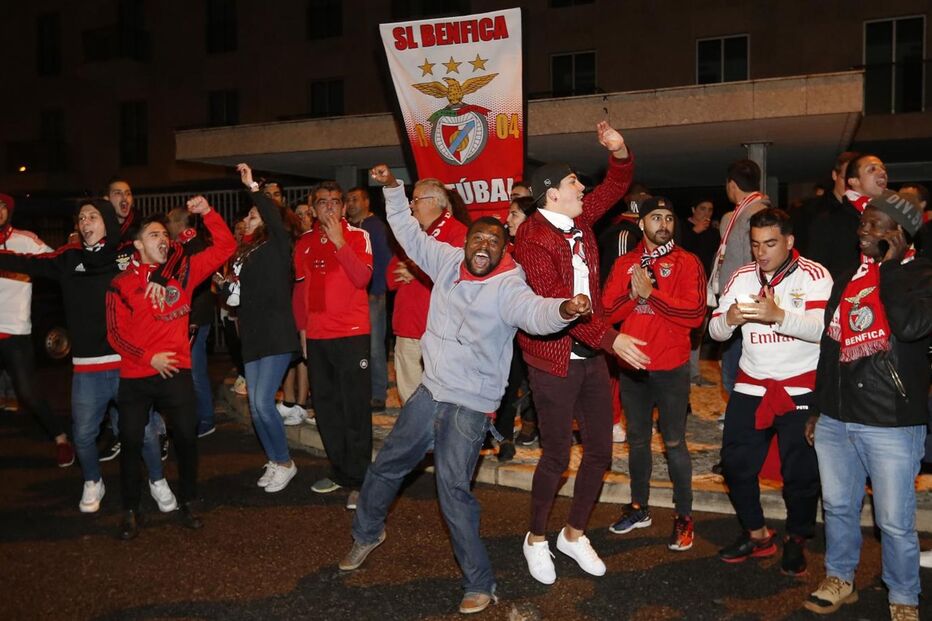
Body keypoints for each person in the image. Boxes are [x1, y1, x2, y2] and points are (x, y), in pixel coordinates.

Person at [340, 164, 593, 615]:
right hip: (430, 392)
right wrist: (394, 189)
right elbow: (406, 232)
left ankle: (479, 582)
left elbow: (535, 313)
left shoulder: (509, 285)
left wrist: (564, 310)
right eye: (477, 239)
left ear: (503, 249)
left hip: (469, 405)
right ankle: (367, 533)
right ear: (465, 242)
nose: (483, 247)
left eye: (494, 242)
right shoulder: (446, 262)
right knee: (385, 467)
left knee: (452, 491)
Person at [515, 122, 634, 586]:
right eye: (572, 183)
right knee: (556, 455)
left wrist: (618, 150)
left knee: (600, 451)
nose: (582, 188)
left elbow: (616, 186)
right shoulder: (532, 237)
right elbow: (558, 306)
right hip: (554, 359)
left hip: (592, 355)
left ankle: (574, 533)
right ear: (551, 195)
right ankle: (536, 537)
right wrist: (611, 339)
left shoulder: (580, 221)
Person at [804, 190, 930, 621]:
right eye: (863, 222)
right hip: (837, 416)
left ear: (899, 234)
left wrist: (889, 267)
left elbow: (910, 326)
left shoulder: (922, 275)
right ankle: (840, 578)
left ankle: (904, 596)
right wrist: (817, 408)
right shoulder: (848, 277)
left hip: (890, 419)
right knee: (838, 507)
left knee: (894, 521)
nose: (863, 230)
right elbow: (830, 347)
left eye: (875, 225)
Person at [0, 199, 170, 511]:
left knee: (145, 431)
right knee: (82, 435)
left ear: (107, 222)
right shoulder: (69, 258)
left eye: (93, 216)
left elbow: (168, 255)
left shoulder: (127, 254)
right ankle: (93, 481)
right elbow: (28, 262)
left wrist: (159, 277)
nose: (85, 221)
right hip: (87, 368)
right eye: (81, 217)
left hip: (127, 363)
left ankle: (157, 480)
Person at [709, 208, 831, 574]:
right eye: (755, 244)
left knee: (801, 474)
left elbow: (821, 330)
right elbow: (714, 330)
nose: (761, 252)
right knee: (734, 465)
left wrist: (777, 315)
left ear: (789, 241)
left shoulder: (814, 274)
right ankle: (757, 533)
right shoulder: (741, 277)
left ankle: (796, 538)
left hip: (800, 386)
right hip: (751, 383)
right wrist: (729, 319)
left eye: (770, 243)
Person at [106, 196, 235, 539]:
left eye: (165, 234)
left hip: (176, 372)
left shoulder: (184, 272)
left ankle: (189, 500)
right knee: (130, 442)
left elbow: (226, 247)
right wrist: (148, 357)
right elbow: (115, 334)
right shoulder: (120, 283)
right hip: (137, 375)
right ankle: (130, 508)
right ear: (137, 244)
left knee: (187, 439)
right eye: (153, 235)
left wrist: (208, 213)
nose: (162, 239)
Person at [602, 196, 706, 551]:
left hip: (671, 367)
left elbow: (694, 314)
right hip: (633, 368)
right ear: (641, 224)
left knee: (674, 443)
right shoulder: (625, 264)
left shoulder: (687, 262)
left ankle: (684, 515)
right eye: (656, 218)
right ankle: (639, 507)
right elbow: (607, 314)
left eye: (669, 218)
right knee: (637, 441)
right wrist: (634, 294)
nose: (664, 224)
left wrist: (653, 295)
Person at [223, 164, 302, 493]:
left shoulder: (278, 243)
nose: (249, 217)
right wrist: (227, 287)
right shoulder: (246, 251)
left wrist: (253, 188)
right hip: (253, 334)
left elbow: (271, 213)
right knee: (256, 407)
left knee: (263, 402)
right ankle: (274, 459)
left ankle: (285, 462)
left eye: (254, 214)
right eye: (249, 213)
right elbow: (237, 297)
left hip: (276, 333)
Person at [294, 180, 373, 508]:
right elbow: (300, 292)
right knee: (326, 410)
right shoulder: (304, 243)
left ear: (343, 207)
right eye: (323, 201)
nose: (329, 206)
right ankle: (341, 471)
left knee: (355, 409)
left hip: (351, 334)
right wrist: (303, 332)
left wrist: (339, 240)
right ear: (313, 208)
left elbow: (363, 278)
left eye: (335, 201)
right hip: (317, 337)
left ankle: (361, 480)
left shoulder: (358, 236)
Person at [0, 192, 74, 467]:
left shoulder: (25, 240)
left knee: (28, 392)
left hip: (15, 331)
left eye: (2, 206)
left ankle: (61, 439)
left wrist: (74, 249)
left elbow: (56, 263)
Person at [386, 179, 467, 405]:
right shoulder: (414, 234)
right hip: (408, 325)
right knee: (410, 398)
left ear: (433, 201)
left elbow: (459, 278)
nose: (411, 205)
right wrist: (416, 267)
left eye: (415, 200)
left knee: (441, 398)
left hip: (438, 331)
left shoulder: (457, 232)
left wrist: (417, 268)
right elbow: (390, 278)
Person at [708, 160, 770, 396]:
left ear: (731, 185)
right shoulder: (741, 214)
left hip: (743, 304)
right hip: (739, 302)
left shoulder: (752, 215)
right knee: (734, 367)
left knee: (735, 371)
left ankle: (742, 408)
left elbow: (754, 263)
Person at [166, 207, 218, 438]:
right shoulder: (184, 246)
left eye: (169, 221)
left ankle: (206, 419)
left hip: (194, 320)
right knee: (187, 372)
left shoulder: (194, 247)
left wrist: (194, 320)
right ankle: (195, 416)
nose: (167, 226)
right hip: (188, 319)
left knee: (195, 372)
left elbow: (201, 289)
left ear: (179, 223)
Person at [345, 187, 392, 414]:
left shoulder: (376, 227)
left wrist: (378, 289)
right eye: (348, 200)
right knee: (356, 346)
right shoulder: (347, 227)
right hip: (351, 297)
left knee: (374, 347)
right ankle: (360, 390)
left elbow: (385, 261)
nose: (351, 203)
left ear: (366, 202)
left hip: (372, 295)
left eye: (355, 199)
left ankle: (378, 394)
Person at [808, 153, 887, 280]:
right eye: (872, 169)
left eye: (883, 168)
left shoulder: (892, 216)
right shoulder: (830, 220)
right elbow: (817, 270)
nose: (882, 172)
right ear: (853, 181)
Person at [680, 199, 720, 387]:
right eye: (702, 208)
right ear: (693, 209)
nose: (706, 213)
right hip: (682, 289)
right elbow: (677, 253)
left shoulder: (713, 233)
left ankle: (694, 374)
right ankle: (680, 374)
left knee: (698, 333)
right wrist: (695, 232)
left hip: (704, 289)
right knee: (681, 332)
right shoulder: (682, 229)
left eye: (710, 209)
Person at [792, 152, 858, 257]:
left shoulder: (865, 212)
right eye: (845, 179)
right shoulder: (808, 210)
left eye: (855, 180)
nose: (849, 185)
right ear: (834, 175)